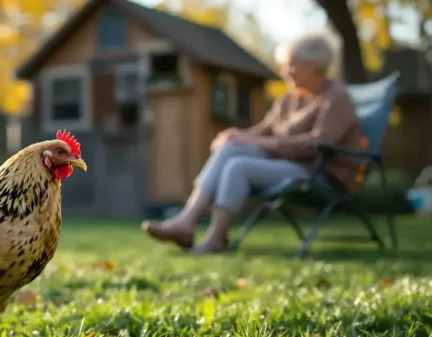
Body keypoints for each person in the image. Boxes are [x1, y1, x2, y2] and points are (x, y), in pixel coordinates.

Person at [141, 31, 362, 254]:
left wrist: (258, 141)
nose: (284, 72)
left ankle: (215, 238)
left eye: (291, 65)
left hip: (319, 172)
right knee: (231, 148)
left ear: (312, 66)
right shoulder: (289, 99)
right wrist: (236, 134)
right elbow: (264, 130)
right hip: (287, 164)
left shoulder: (337, 98)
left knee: (239, 167)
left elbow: (318, 142)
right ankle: (186, 221)